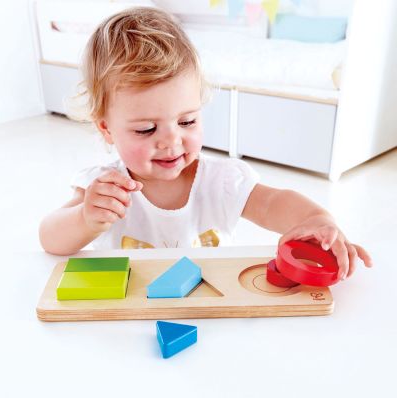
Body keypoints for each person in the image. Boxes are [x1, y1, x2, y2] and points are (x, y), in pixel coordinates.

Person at [39, 7, 372, 280]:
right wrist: (85, 219)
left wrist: (316, 219)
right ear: (107, 129)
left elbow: (272, 203)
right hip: (131, 311)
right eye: (146, 129)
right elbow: (50, 238)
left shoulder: (221, 181)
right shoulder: (104, 188)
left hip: (209, 305)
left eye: (187, 122)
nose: (172, 141)